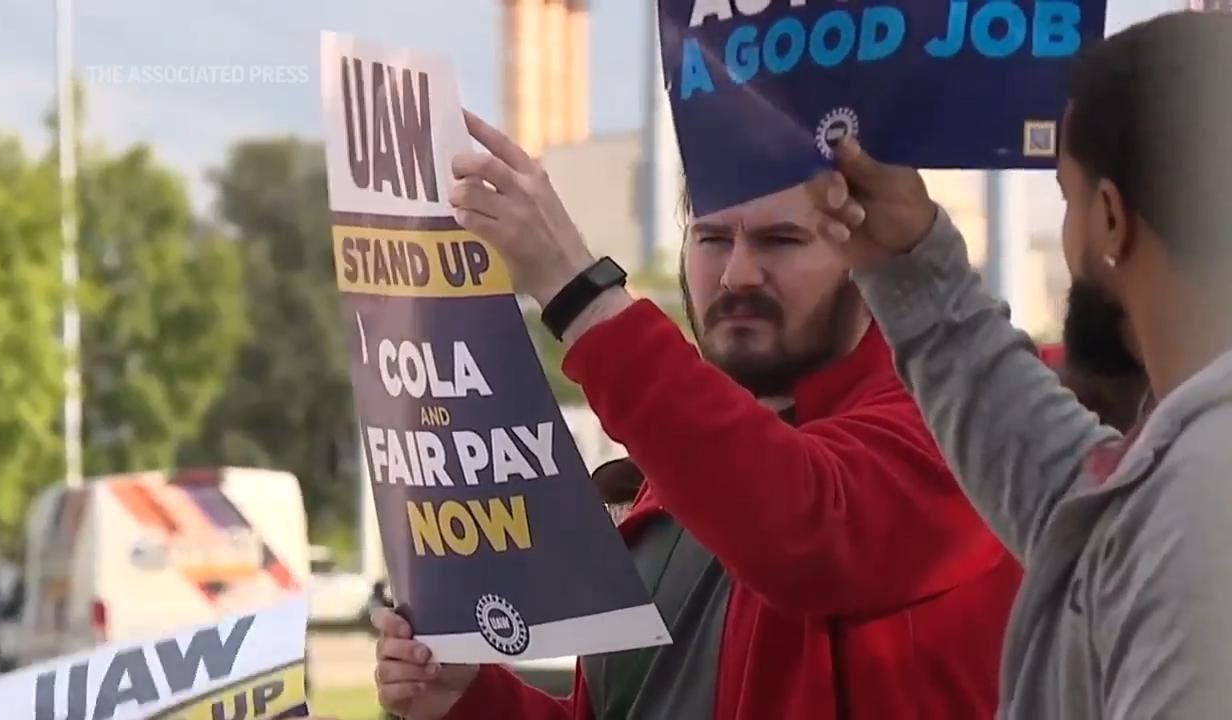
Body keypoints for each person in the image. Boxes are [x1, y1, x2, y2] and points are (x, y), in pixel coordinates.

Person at [363, 111, 1022, 720]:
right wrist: (470, 697)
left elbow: (804, 525)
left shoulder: (959, 419)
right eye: (711, 238)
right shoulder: (677, 466)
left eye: (780, 240)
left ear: (866, 257)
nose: (737, 274)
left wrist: (576, 290)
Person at [811, 11, 1232, 717]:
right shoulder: (1184, 479)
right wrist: (906, 264)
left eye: (1066, 198)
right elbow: (1080, 512)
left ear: (1108, 219)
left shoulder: (1204, 506)